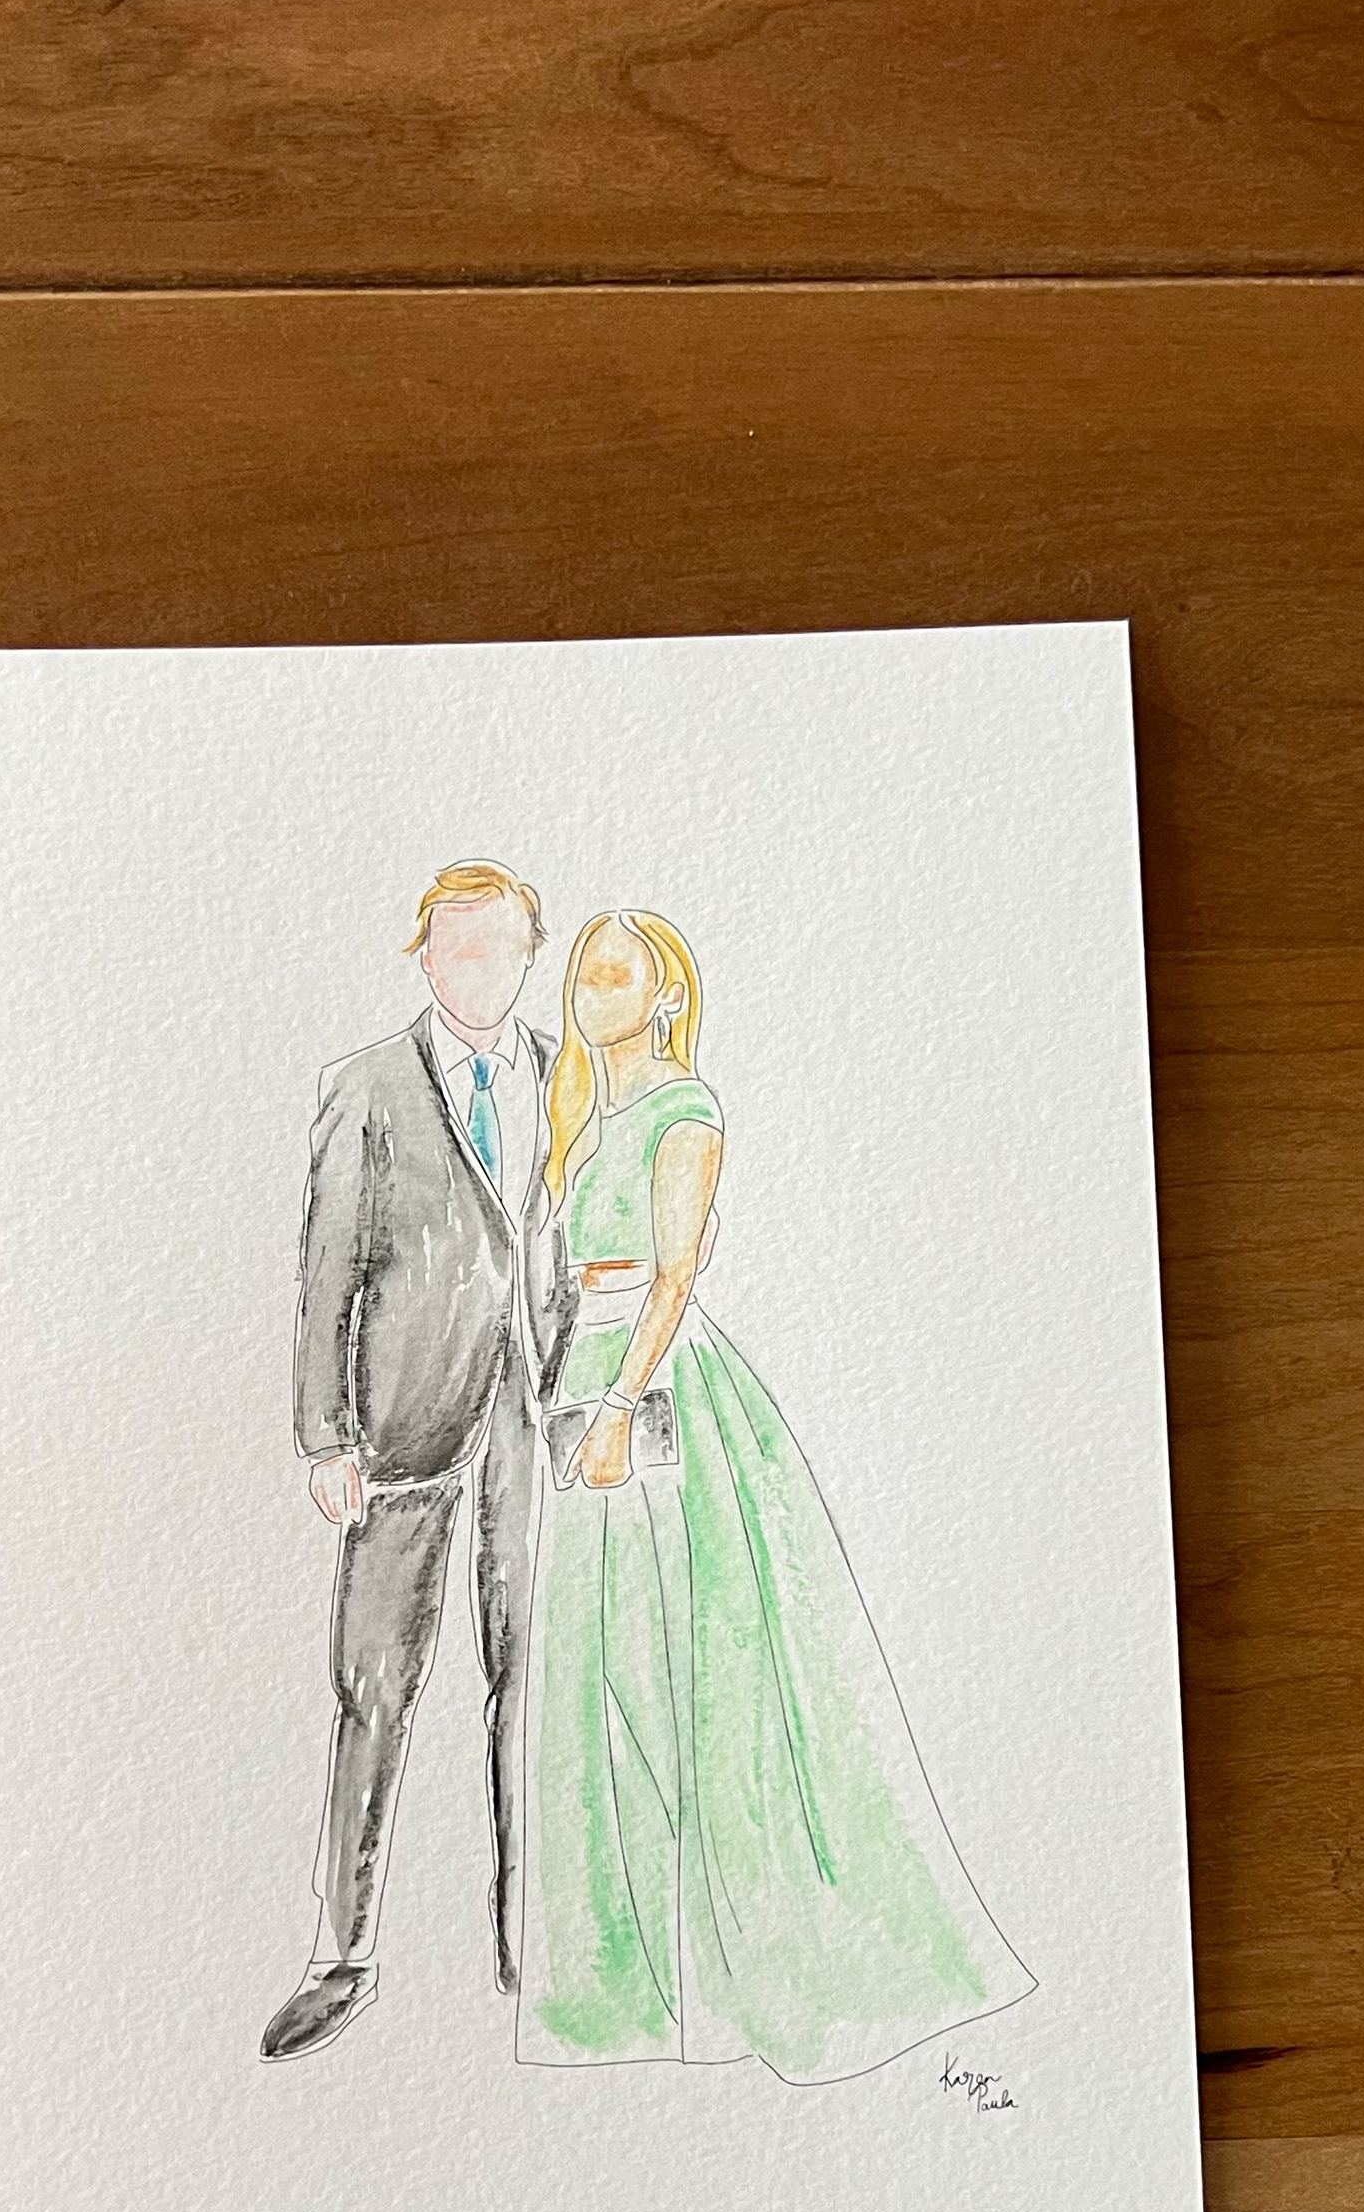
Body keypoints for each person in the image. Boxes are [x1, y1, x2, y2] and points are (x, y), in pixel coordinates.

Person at [523, 908, 1034, 2080]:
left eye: (615, 976)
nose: (591, 995)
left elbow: (673, 1276)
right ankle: (630, 1994)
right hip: (583, 1385)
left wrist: (615, 1409)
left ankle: (728, 1980)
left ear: (663, 995)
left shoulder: (683, 1110)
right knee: (602, 1682)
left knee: (679, 1670)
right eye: (583, 977)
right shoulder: (584, 1119)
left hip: (650, 1395)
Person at [268, 861, 573, 2062]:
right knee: (374, 1687)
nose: (477, 969)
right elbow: (327, 1269)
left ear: (531, 957)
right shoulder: (366, 1085)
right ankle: (342, 1957)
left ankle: (527, 1947)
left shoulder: (568, 1074)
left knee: (530, 1678)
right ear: (425, 957)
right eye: (456, 947)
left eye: (500, 948)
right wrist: (325, 1434)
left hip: (531, 1425)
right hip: (400, 1431)